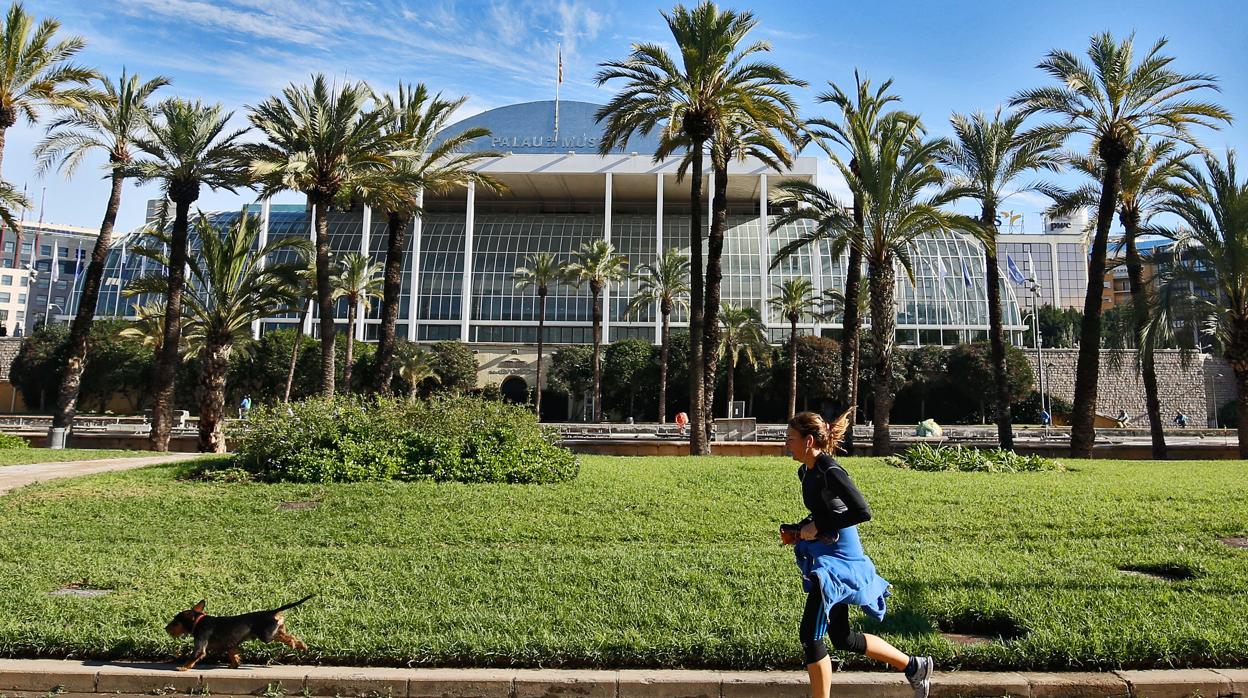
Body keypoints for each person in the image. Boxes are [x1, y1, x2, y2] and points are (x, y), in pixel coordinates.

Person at [781, 410, 932, 698]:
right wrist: (800, 529)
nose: (787, 445)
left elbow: (862, 511)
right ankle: (915, 666)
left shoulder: (831, 470)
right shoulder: (806, 471)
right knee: (842, 637)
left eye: (790, 439)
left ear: (808, 440)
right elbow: (826, 512)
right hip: (826, 554)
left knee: (810, 636)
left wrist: (819, 525)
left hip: (841, 560)